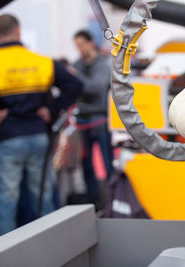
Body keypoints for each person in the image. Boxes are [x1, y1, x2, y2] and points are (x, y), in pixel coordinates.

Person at [0, 14, 83, 237]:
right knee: (43, 197)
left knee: (6, 202)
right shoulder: (41, 61)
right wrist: (51, 110)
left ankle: (5, 256)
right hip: (37, 137)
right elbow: (75, 84)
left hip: (5, 139)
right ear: (18, 32)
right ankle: (53, 247)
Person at [72, 30, 113, 201]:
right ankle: (93, 199)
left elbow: (96, 88)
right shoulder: (77, 65)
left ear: (91, 43)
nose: (80, 49)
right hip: (82, 120)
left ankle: (112, 198)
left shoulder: (102, 65)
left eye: (82, 44)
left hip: (100, 120)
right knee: (86, 164)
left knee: (107, 162)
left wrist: (75, 76)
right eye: (77, 46)